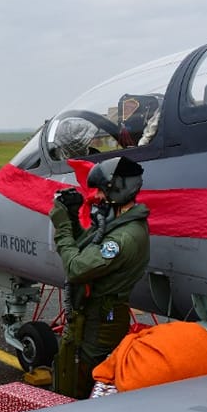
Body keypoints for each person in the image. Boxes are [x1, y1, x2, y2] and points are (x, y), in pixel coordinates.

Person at [48, 155, 150, 399]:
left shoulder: (122, 238)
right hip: (96, 316)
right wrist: (72, 217)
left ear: (117, 191)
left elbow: (76, 267)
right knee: (69, 370)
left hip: (101, 322)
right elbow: (87, 247)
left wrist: (62, 226)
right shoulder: (119, 223)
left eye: (102, 192)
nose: (98, 198)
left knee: (82, 381)